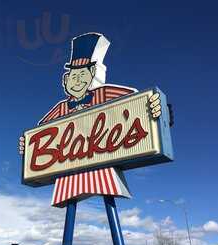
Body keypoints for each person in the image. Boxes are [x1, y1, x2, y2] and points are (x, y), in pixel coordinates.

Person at [20, 33, 165, 207]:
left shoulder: (104, 94)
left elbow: (139, 102)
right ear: (65, 81)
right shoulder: (61, 109)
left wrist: (157, 107)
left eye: (83, 74)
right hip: (68, 173)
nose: (78, 80)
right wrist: (27, 145)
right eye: (73, 76)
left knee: (108, 206)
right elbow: (39, 133)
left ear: (93, 74)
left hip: (103, 165)